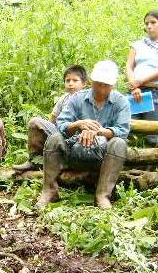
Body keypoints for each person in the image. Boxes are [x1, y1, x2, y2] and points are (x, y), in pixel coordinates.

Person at [39, 61, 131, 209]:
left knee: (119, 143)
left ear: (112, 85)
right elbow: (61, 123)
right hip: (74, 151)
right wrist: (78, 124)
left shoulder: (121, 102)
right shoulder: (77, 98)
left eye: (105, 84)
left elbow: (123, 130)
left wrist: (99, 131)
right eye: (98, 83)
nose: (101, 88)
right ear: (92, 81)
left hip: (103, 157)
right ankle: (49, 191)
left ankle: (102, 195)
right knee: (55, 138)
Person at [13, 65, 87, 172]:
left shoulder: (87, 99)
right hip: (60, 133)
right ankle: (35, 161)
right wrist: (43, 132)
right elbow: (53, 117)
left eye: (75, 80)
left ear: (84, 84)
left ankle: (64, 163)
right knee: (35, 122)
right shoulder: (64, 98)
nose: (70, 83)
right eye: (67, 80)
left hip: (77, 139)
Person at [126, 10, 158, 146]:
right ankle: (126, 165)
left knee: (152, 135)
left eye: (153, 22)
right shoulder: (137, 45)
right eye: (147, 23)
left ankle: (149, 167)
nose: (149, 26)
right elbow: (129, 66)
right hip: (136, 91)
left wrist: (141, 81)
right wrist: (135, 85)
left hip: (156, 93)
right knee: (129, 131)